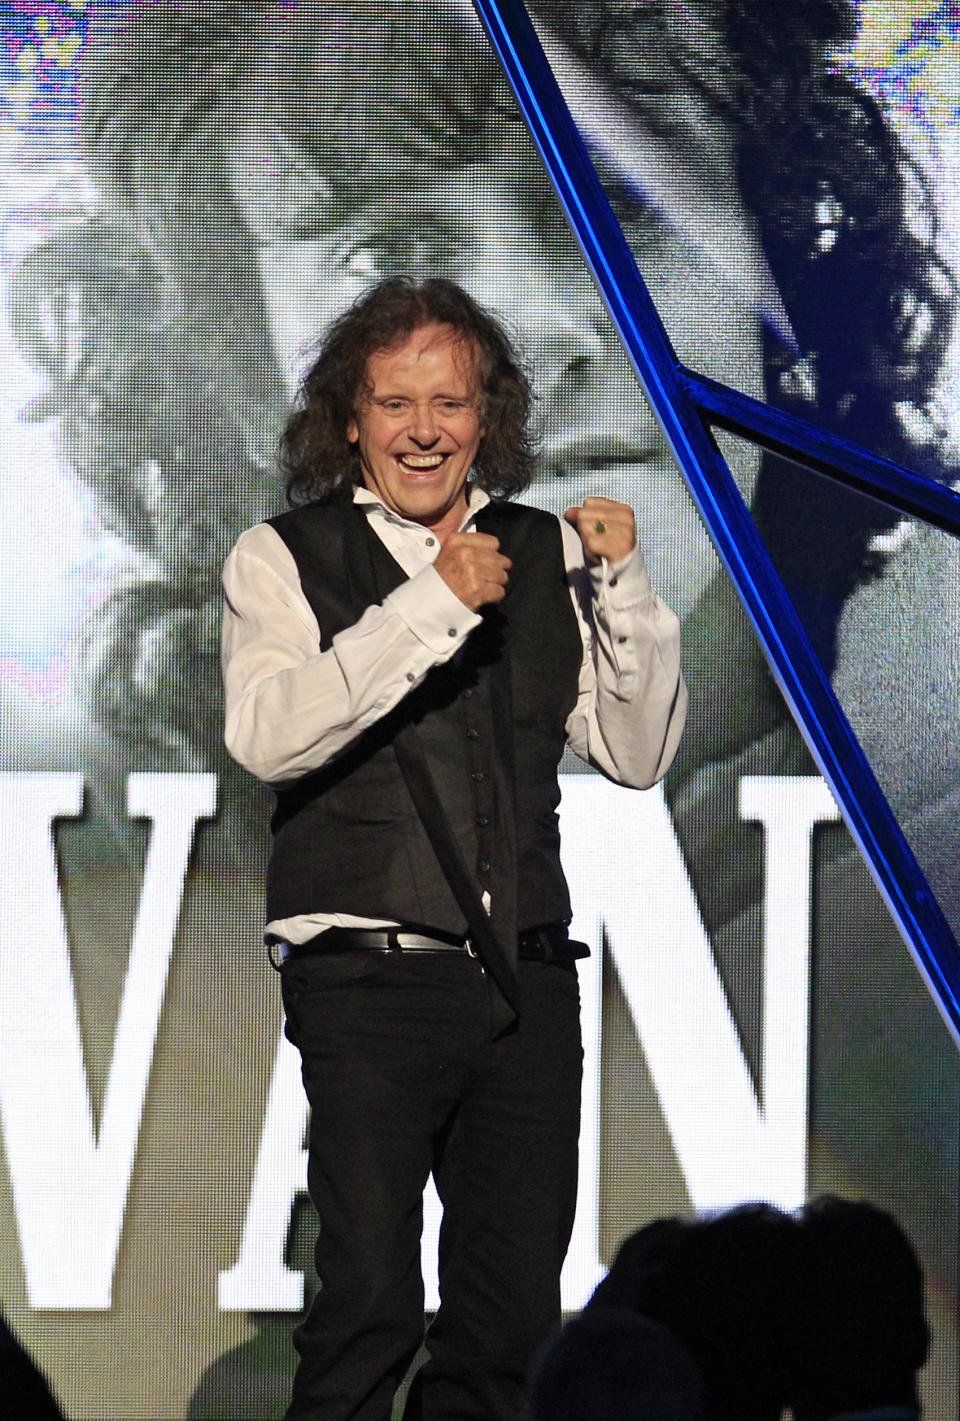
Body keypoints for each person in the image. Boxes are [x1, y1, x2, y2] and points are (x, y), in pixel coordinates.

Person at [221, 274, 686, 1420]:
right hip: (368, 980)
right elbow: (268, 736)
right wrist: (431, 603)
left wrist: (622, 592)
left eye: (451, 403)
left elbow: (634, 753)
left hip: (526, 983)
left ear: (490, 418)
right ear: (349, 419)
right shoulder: (282, 556)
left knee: (510, 1315)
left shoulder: (543, 554)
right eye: (394, 404)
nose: (423, 430)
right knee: (370, 1294)